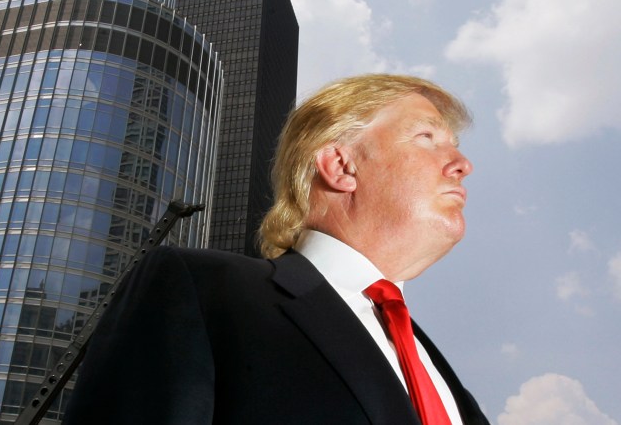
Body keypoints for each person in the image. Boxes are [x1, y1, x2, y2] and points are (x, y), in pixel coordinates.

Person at [62, 73, 490, 424]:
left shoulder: (440, 371)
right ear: (341, 166)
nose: (462, 164)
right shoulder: (203, 291)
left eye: (455, 144)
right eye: (427, 137)